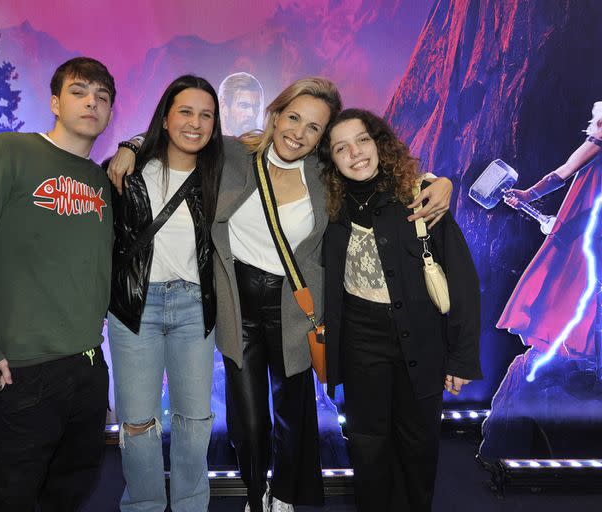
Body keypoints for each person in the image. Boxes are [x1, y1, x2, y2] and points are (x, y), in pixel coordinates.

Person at [108, 80, 453, 512]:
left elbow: (380, 177)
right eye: (293, 118)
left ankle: (284, 495)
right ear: (274, 115)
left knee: (294, 418)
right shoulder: (235, 155)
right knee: (250, 425)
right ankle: (255, 496)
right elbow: (183, 135)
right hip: (239, 309)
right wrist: (130, 144)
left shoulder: (326, 175)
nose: (299, 133)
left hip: (294, 312)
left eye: (313, 127)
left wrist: (437, 181)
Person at [0, 57, 115, 511]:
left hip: (87, 368)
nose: (91, 102)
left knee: (68, 495)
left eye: (102, 96)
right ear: (55, 102)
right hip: (21, 370)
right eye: (79, 92)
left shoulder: (100, 181)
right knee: (13, 497)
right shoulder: (8, 151)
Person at [320, 109, 481, 511]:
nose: (355, 153)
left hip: (421, 341)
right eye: (341, 148)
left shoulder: (421, 196)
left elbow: (462, 280)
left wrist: (461, 358)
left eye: (362, 140)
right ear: (331, 160)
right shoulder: (327, 209)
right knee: (368, 448)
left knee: (418, 446)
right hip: (360, 343)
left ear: (380, 144)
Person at [107, 75, 223, 511]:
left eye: (206, 114)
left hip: (195, 305)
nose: (195, 123)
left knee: (195, 422)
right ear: (167, 116)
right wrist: (132, 145)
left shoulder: (221, 171)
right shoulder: (126, 171)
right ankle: (144, 505)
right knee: (137, 422)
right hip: (137, 306)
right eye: (185, 112)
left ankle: (192, 504)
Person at [499, 102, 602, 360]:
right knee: (573, 281)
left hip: (587, 229)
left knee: (573, 279)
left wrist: (529, 194)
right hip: (587, 227)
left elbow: (563, 173)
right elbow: (564, 172)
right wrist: (528, 195)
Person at [218, 72, 264, 136]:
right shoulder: (208, 143)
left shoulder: (265, 143)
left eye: (256, 106)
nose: (251, 114)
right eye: (244, 106)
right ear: (224, 107)